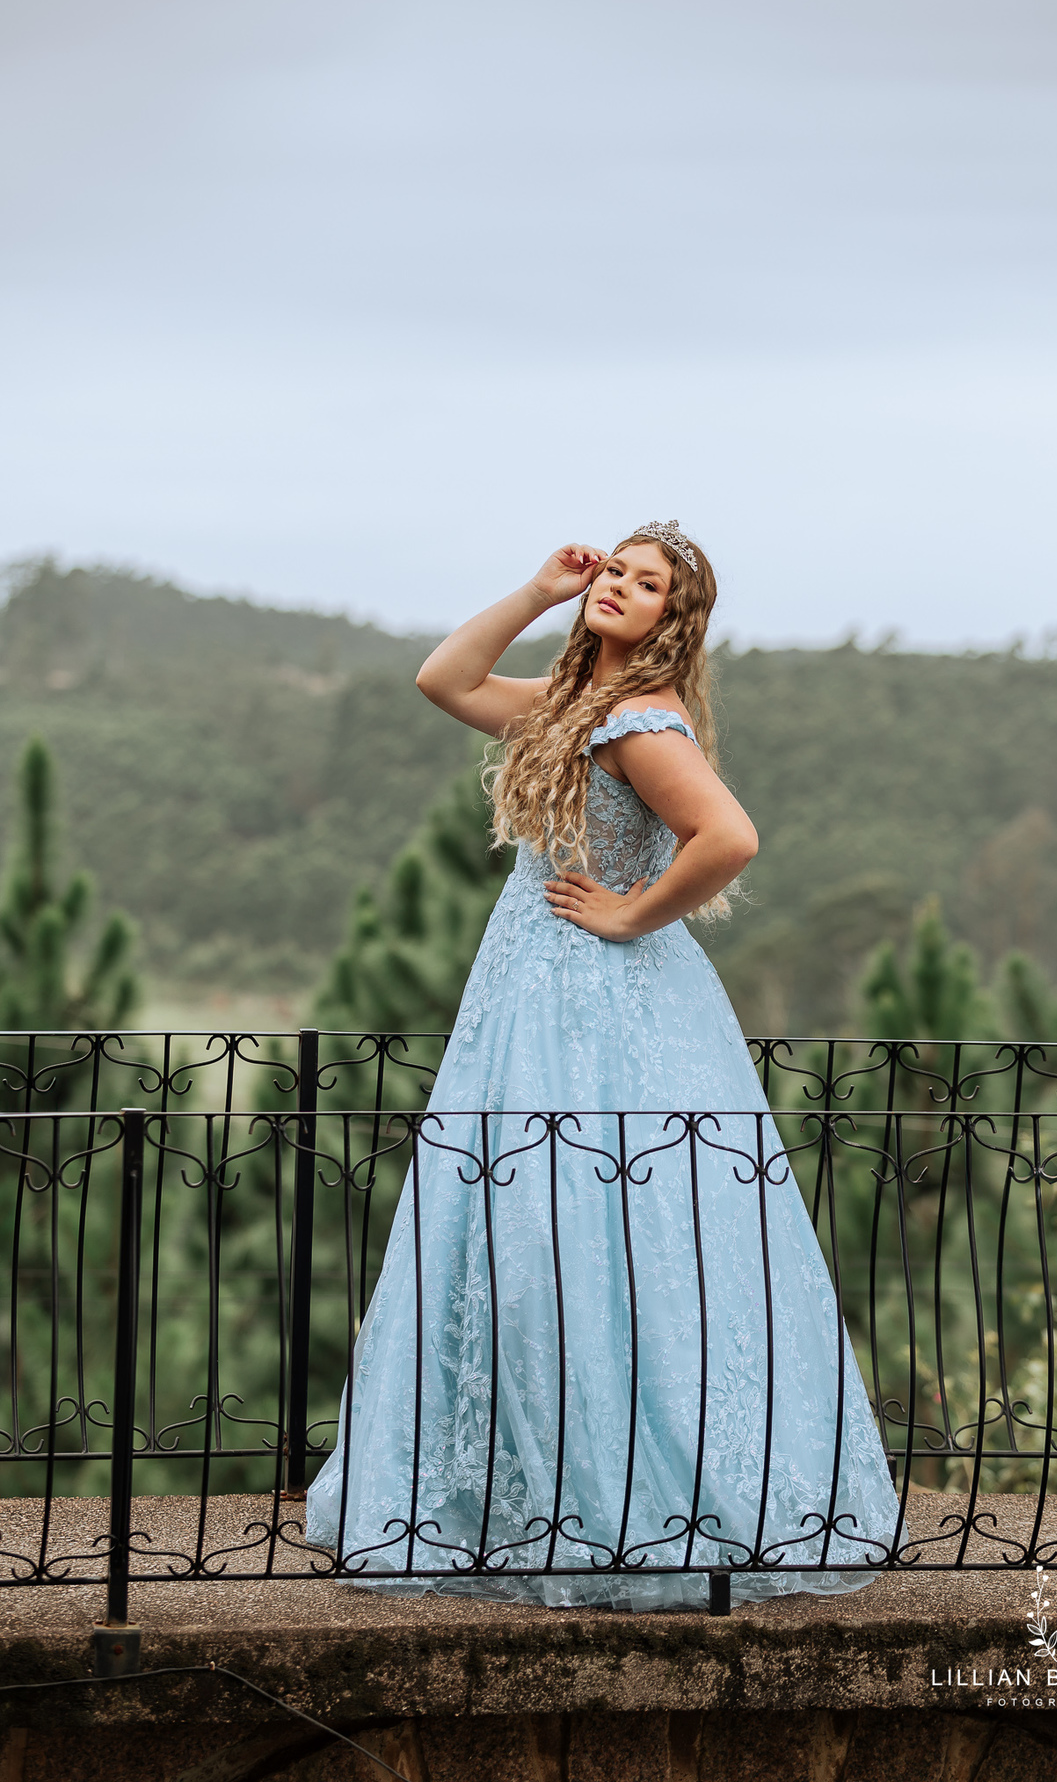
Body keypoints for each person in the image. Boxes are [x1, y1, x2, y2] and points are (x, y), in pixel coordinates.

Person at [305, 522, 905, 1607]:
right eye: (615, 573)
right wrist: (541, 588)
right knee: (529, 1234)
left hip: (599, 1001)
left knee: (599, 1231)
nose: (619, 588)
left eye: (645, 583)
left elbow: (728, 836)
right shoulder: (573, 707)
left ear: (675, 618)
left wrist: (632, 916)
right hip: (530, 992)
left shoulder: (639, 721)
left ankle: (633, 1500)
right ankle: (520, 1493)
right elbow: (444, 677)